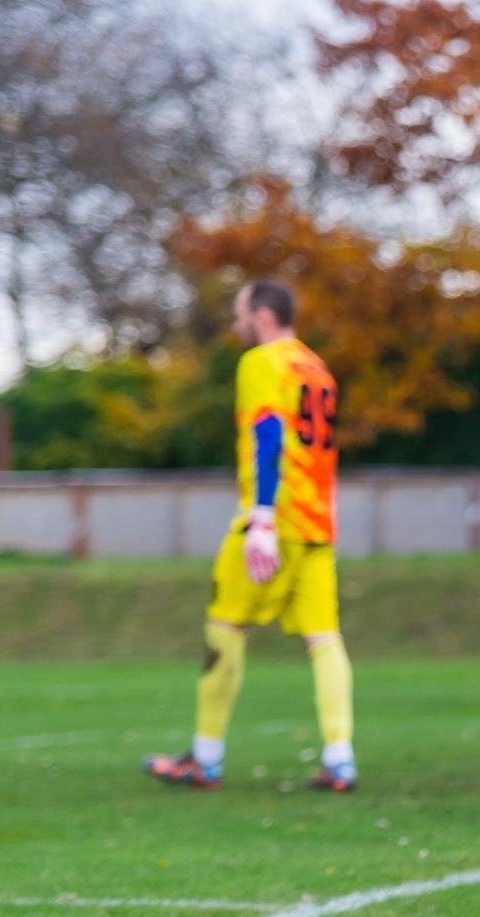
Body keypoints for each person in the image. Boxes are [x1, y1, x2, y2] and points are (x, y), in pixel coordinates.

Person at [142, 280, 359, 793]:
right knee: (325, 642)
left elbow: (268, 432)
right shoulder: (318, 368)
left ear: (263, 316)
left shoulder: (263, 361)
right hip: (316, 525)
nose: (236, 325)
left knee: (224, 629)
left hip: (274, 520)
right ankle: (340, 757)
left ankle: (205, 757)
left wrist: (260, 516)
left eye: (240, 314)